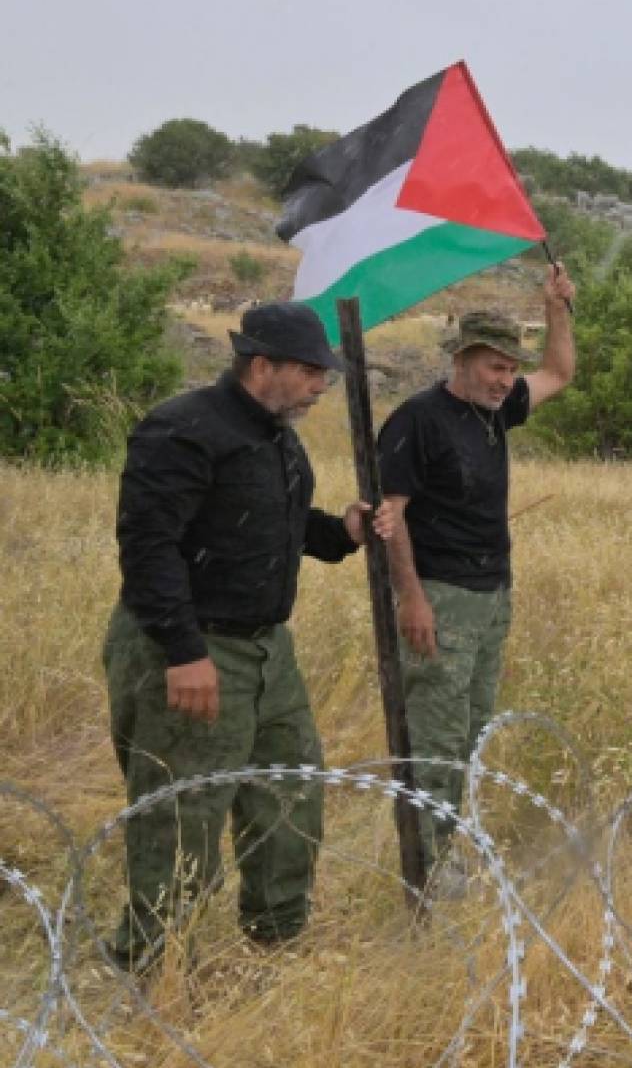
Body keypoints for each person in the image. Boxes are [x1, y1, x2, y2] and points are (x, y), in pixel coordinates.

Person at [105, 302, 393, 970]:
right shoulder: (181, 431)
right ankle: (152, 965)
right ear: (262, 365)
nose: (323, 384)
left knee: (290, 794)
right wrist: (185, 652)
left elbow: (276, 532)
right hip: (190, 650)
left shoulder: (277, 438)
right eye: (312, 371)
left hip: (269, 653)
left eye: (327, 372)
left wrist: (341, 532)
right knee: (184, 813)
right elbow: (149, 550)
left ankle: (276, 943)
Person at [376, 264, 576, 886]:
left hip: (492, 597)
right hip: (440, 597)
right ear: (461, 360)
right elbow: (391, 519)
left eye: (511, 368)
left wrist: (557, 308)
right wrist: (411, 597)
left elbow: (560, 373)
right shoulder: (417, 420)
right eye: (495, 366)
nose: (506, 379)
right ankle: (426, 867)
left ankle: (444, 850)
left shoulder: (498, 412)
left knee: (467, 733)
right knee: (434, 737)